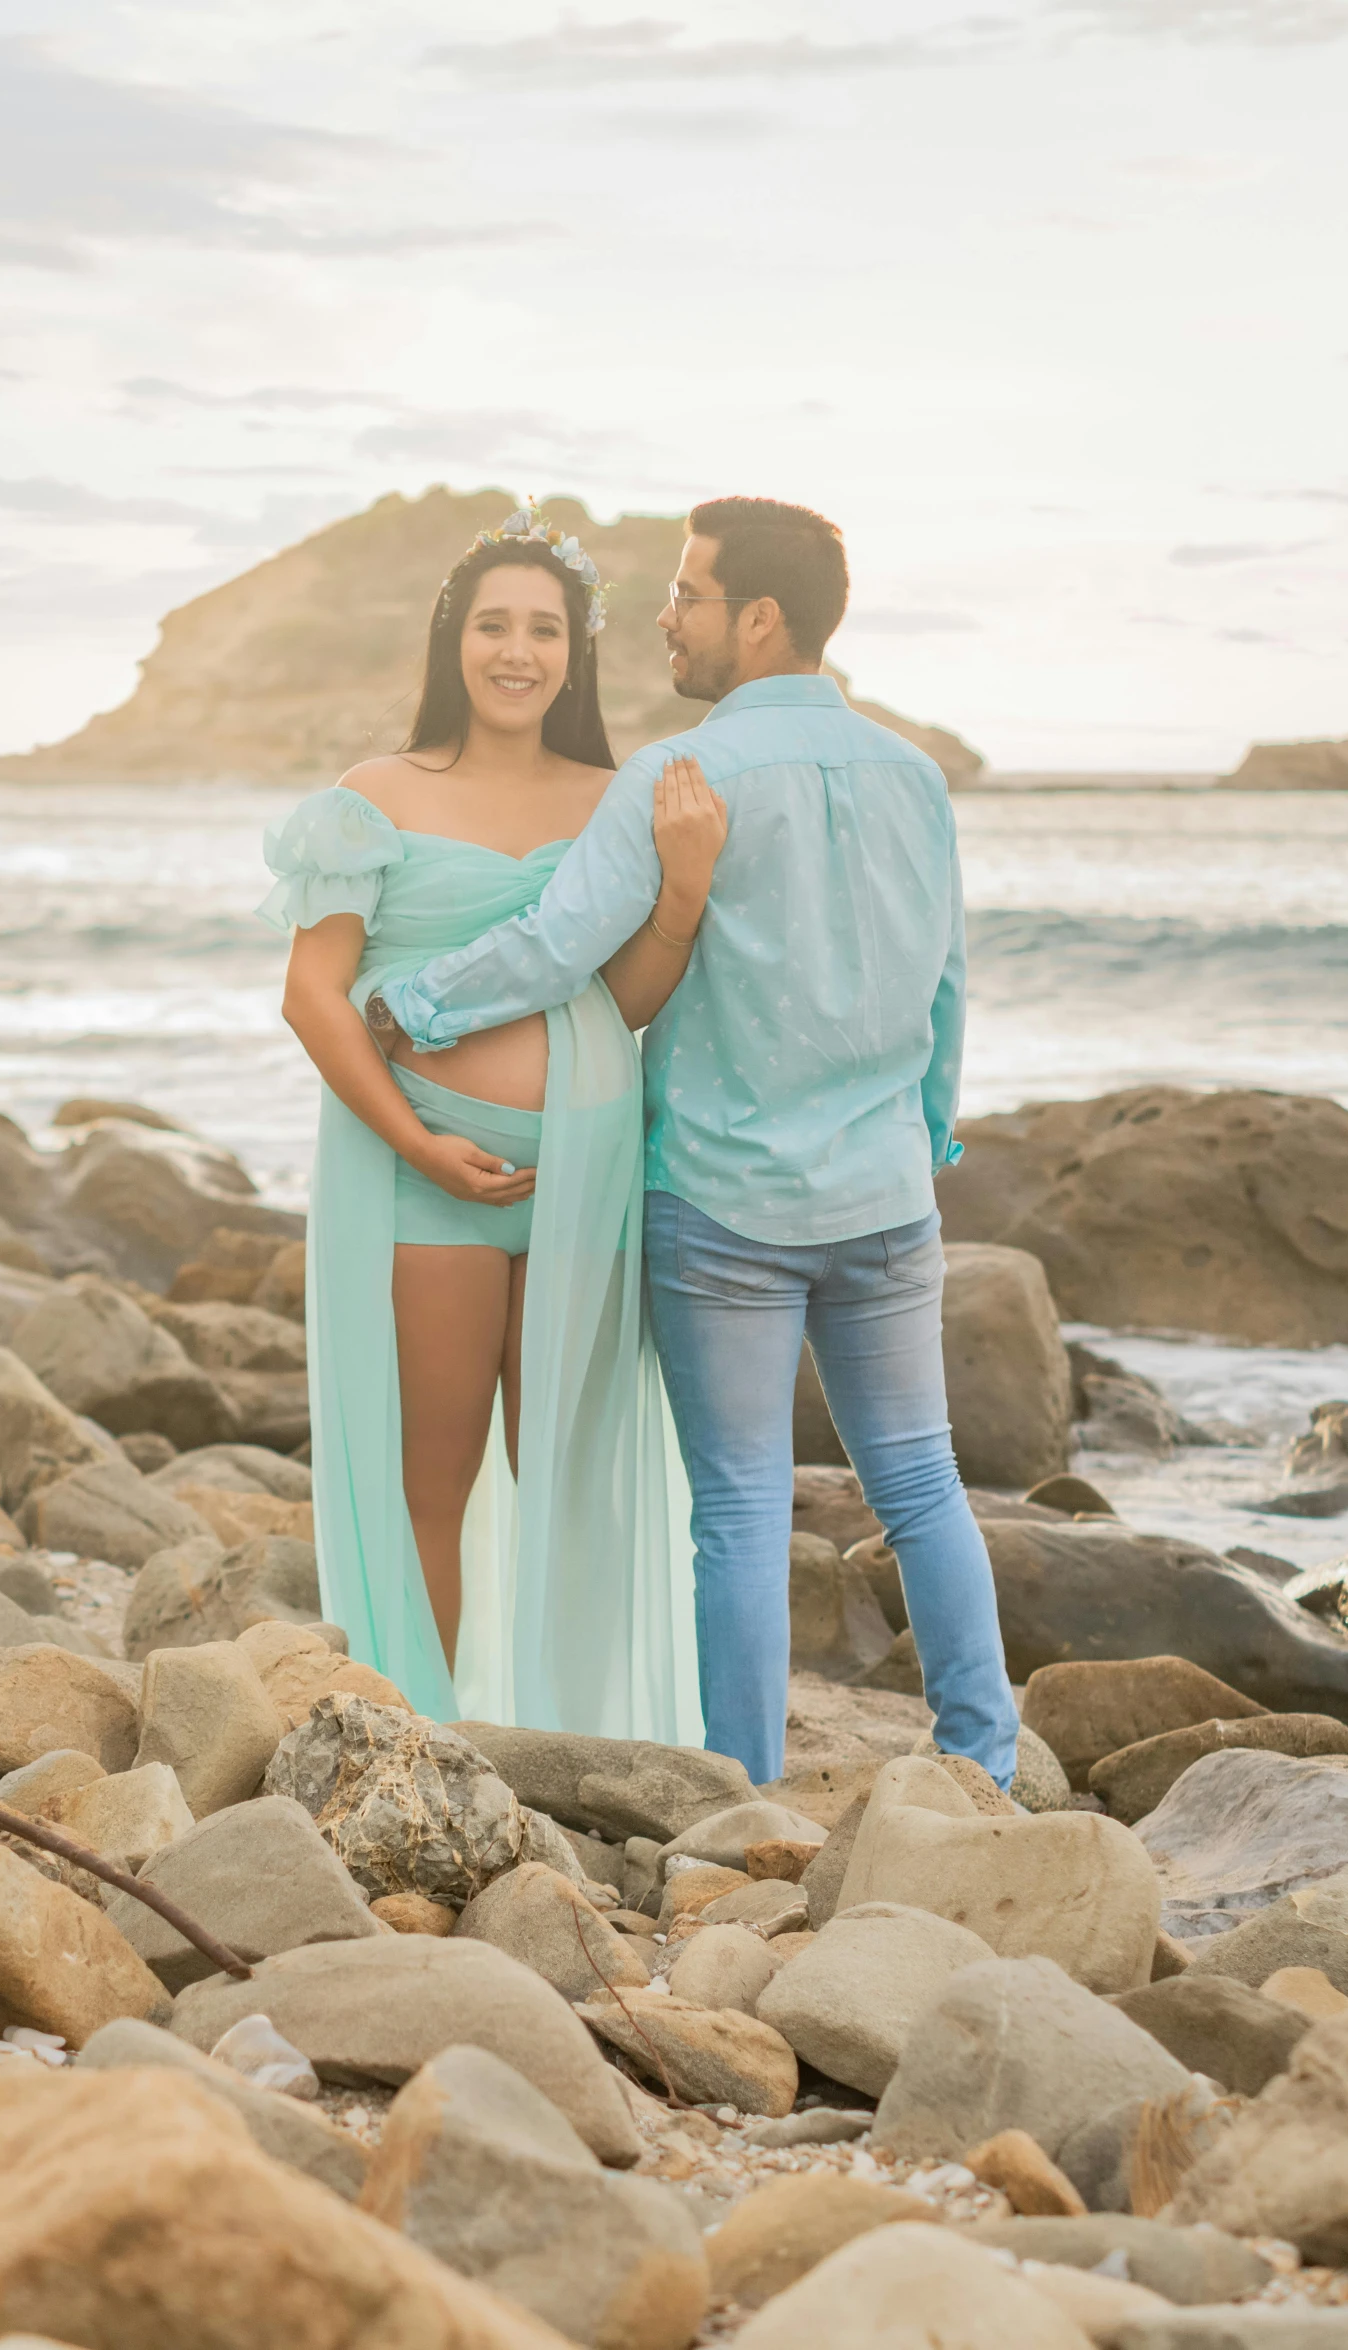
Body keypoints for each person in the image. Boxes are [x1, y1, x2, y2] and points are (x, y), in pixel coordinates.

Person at [372, 495, 1020, 1790]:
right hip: (885, 1197)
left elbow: (561, 940)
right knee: (919, 1482)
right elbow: (946, 984)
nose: (664, 616)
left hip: (724, 1200)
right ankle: (981, 1763)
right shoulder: (912, 777)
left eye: (687, 594)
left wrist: (412, 1006)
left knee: (735, 1504)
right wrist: (927, 1127)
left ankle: (744, 1793)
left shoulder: (683, 777)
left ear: (758, 618)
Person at [258, 503, 725, 1738]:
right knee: (435, 1477)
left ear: (575, 652)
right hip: (421, 1176)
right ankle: (417, 1738)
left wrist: (679, 897)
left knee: (571, 1483)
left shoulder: (614, 795)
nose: (517, 652)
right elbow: (314, 995)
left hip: (586, 1171)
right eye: (492, 626)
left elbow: (618, 1001)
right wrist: (418, 1146)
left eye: (545, 629)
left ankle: (569, 1747)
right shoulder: (375, 793)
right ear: (450, 641)